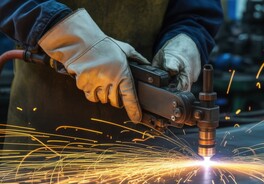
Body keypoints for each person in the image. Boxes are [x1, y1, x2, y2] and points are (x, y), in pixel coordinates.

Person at [0, 0, 223, 139]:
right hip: (42, 135)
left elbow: (197, 9)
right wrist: (61, 31)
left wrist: (188, 37)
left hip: (147, 141)